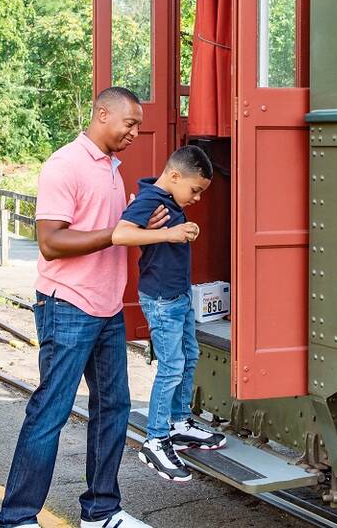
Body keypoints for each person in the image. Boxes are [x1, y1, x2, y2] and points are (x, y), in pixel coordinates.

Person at [0, 87, 191, 528]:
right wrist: (115, 234)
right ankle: (17, 517)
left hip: (105, 309)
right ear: (102, 114)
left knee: (113, 408)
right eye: (130, 123)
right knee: (51, 410)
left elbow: (107, 227)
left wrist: (135, 222)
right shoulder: (66, 165)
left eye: (138, 126)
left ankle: (101, 511)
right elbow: (50, 243)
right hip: (67, 305)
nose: (135, 133)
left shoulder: (111, 169)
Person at [112, 145, 228, 483]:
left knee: (189, 357)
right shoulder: (151, 200)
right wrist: (171, 233)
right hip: (161, 300)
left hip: (179, 297)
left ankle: (179, 422)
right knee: (171, 366)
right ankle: (156, 439)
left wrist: (182, 229)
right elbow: (121, 234)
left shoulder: (170, 200)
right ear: (174, 176)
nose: (196, 199)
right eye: (194, 190)